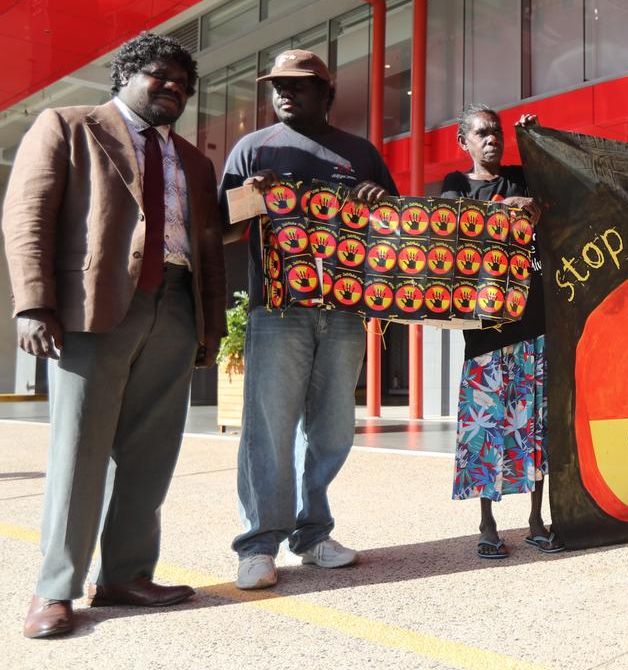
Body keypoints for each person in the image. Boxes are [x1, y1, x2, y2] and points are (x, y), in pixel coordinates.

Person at [3, 32, 226, 638]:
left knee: (152, 454)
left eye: (184, 83)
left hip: (177, 306)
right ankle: (55, 589)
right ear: (124, 74)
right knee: (79, 450)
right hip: (94, 309)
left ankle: (127, 574)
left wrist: (211, 325)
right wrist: (33, 304)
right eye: (160, 75)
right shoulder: (68, 126)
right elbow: (28, 215)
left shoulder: (196, 161)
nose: (174, 88)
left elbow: (206, 248)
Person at [221, 49, 397, 589]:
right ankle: (258, 545)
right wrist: (253, 198)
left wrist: (378, 204)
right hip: (277, 311)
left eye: (298, 85)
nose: (284, 93)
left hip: (344, 310)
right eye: (277, 85)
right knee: (268, 428)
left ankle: (313, 534)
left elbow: (397, 232)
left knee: (332, 429)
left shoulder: (359, 152)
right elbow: (223, 229)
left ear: (327, 93)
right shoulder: (254, 147)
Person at [443, 104, 562, 559]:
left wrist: (535, 137)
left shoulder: (522, 176)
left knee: (535, 428)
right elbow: (455, 231)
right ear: (465, 142)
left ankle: (536, 520)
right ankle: (488, 524)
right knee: (487, 429)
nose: (492, 138)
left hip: (535, 322)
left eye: (497, 132)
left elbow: (553, 174)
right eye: (482, 132)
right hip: (486, 331)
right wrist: (504, 207)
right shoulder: (455, 187)